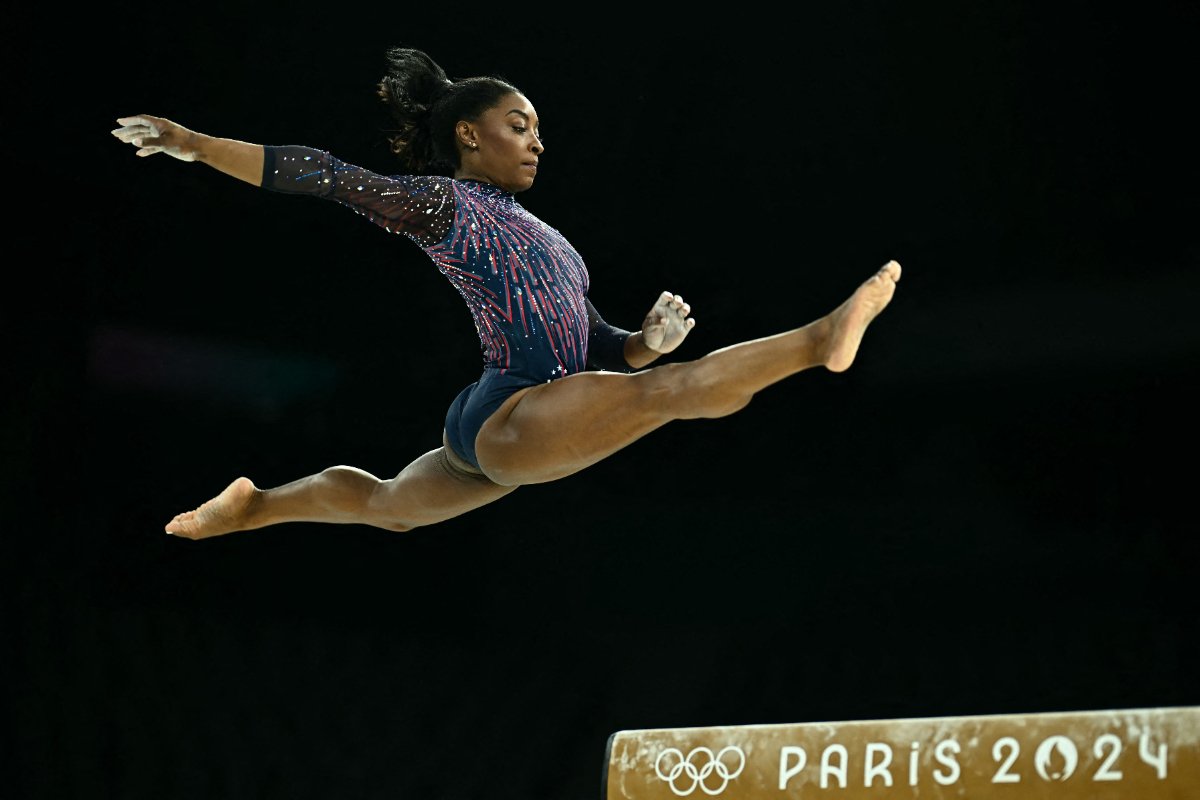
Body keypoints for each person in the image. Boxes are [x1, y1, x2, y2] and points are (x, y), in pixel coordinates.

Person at [110, 47, 901, 541]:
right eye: (521, 125)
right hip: (512, 412)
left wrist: (644, 341)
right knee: (669, 395)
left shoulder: (550, 239)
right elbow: (324, 175)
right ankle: (817, 339)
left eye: (537, 129)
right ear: (468, 134)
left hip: (504, 416)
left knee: (388, 505)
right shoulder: (441, 206)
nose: (538, 141)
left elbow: (596, 347)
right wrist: (192, 144)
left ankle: (257, 505)